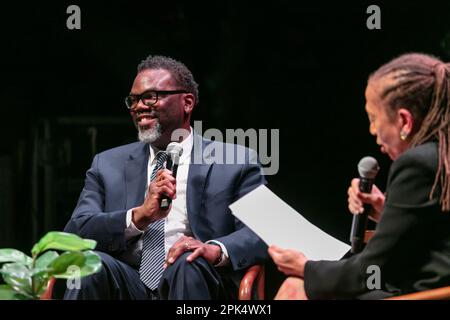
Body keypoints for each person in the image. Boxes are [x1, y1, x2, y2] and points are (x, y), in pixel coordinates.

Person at [63, 55, 267, 300]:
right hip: (127, 283)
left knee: (188, 261)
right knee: (89, 265)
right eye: (134, 100)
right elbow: (77, 232)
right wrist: (139, 217)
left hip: (196, 281)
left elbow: (261, 232)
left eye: (150, 97)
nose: (138, 106)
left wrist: (212, 249)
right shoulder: (107, 164)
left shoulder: (235, 162)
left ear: (187, 102)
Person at [269, 53, 450, 299]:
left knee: (296, 288)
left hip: (426, 295)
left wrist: (306, 267)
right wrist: (386, 209)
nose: (372, 131)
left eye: (374, 119)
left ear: (404, 121)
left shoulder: (417, 163)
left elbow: (372, 270)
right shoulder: (440, 156)